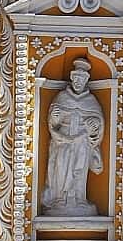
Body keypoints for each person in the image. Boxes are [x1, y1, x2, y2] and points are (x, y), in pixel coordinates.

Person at [40, 58, 105, 217]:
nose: (77, 82)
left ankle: (78, 198)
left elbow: (98, 122)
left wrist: (94, 126)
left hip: (81, 141)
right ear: (71, 78)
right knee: (62, 169)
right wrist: (55, 119)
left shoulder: (91, 101)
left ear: (86, 81)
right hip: (63, 141)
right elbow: (53, 123)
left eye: (81, 79)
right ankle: (60, 198)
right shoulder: (62, 97)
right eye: (75, 78)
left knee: (79, 170)